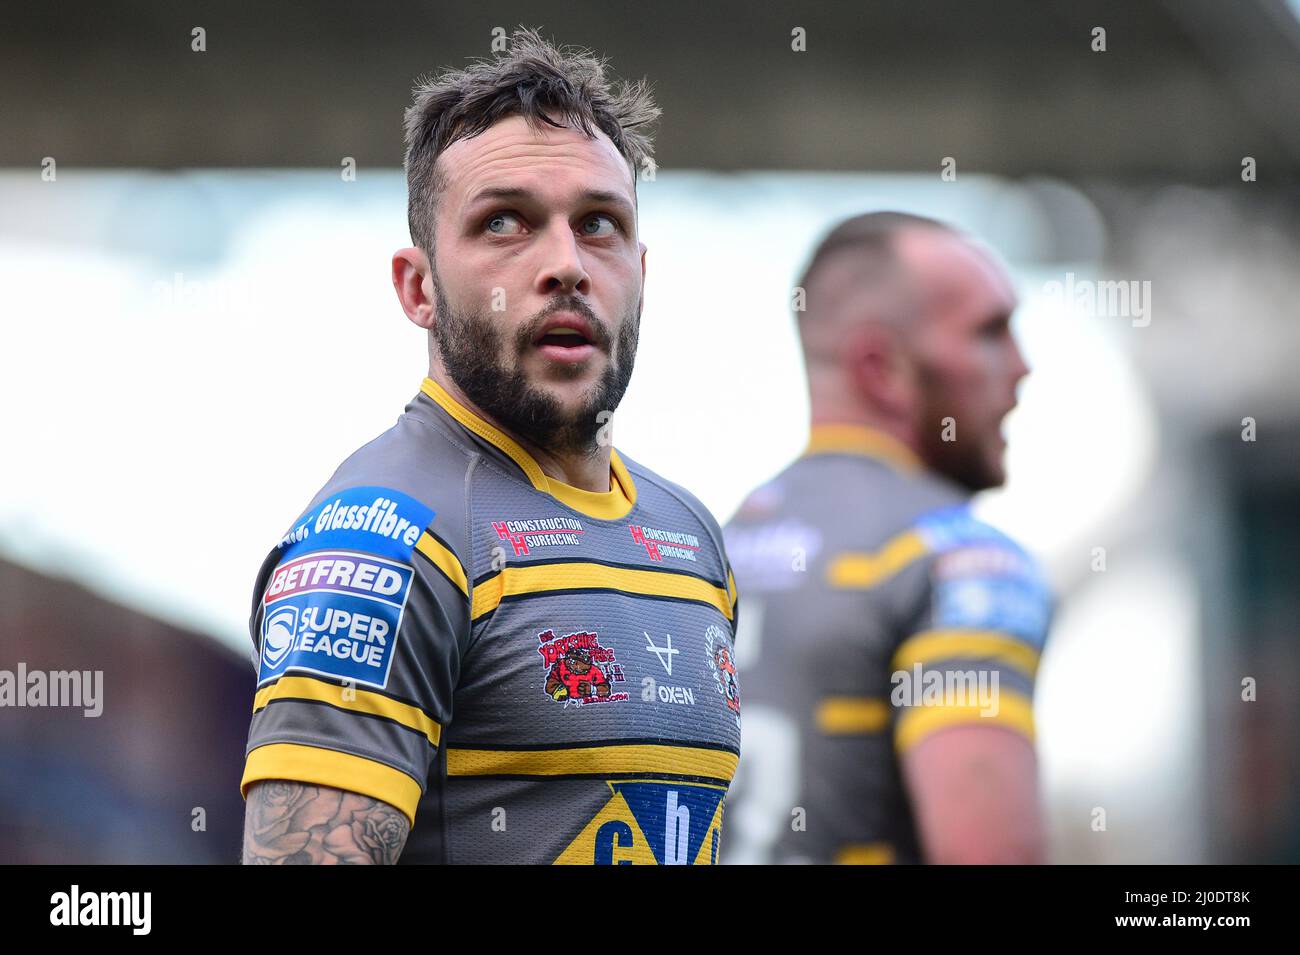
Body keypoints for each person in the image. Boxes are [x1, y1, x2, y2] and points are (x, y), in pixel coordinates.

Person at [239, 28, 739, 864]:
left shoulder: (691, 537)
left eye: (600, 224)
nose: (566, 264)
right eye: (505, 222)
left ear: (641, 272)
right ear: (418, 286)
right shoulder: (384, 539)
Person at [721, 212, 1051, 864]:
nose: (1022, 366)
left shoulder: (708, 550)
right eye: (990, 332)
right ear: (882, 369)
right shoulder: (961, 561)